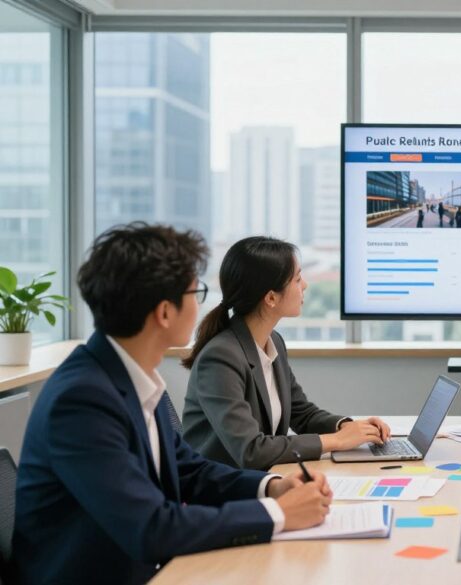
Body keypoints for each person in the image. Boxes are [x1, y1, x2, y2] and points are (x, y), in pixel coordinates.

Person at [12, 223, 333, 584]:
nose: (201, 305)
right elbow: (151, 527)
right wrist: (276, 513)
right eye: (195, 292)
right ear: (165, 313)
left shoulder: (129, 378)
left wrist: (271, 486)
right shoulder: (82, 401)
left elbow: (188, 469)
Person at [182, 236, 390, 470]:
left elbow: (302, 413)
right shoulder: (221, 357)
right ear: (271, 298)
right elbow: (251, 451)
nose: (305, 286)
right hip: (223, 491)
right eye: (298, 279)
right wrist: (337, 441)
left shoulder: (273, 342)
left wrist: (349, 427)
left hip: (259, 479)